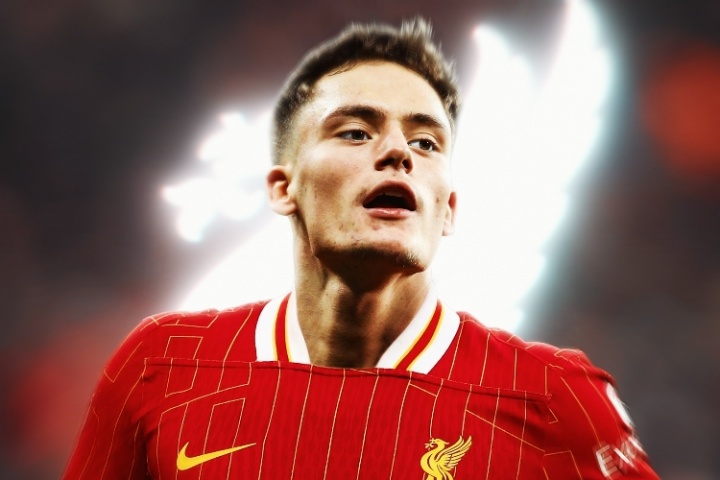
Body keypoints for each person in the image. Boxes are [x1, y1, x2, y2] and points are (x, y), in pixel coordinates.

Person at [63, 19, 659, 479]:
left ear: (448, 209)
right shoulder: (161, 366)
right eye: (355, 131)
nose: (398, 151)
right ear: (284, 188)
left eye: (426, 142)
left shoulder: (554, 397)